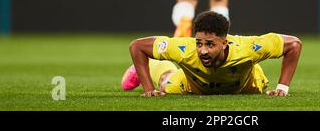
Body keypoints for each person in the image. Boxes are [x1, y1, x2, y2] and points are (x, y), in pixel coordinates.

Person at [121, 11, 302, 97]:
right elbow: (137, 46)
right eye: (199, 43)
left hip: (247, 85)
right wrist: (149, 90)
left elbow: (294, 44)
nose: (203, 50)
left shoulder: (248, 48)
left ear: (224, 43)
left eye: (210, 44)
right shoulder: (185, 49)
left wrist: (282, 88)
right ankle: (145, 68)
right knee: (165, 82)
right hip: (193, 86)